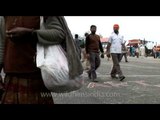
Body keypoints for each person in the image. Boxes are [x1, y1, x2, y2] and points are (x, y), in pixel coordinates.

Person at [0, 16, 83, 104]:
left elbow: (59, 33)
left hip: (36, 77)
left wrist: (31, 33)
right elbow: (1, 45)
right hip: (11, 77)